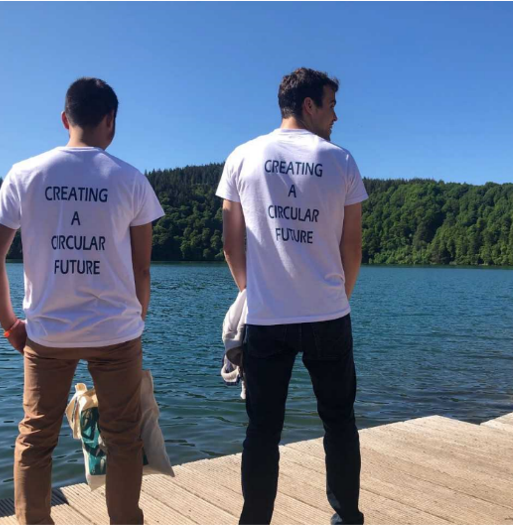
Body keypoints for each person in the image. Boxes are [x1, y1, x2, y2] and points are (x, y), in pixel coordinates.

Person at [0, 77, 164, 525]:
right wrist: (137, 315)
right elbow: (142, 268)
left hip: (47, 334)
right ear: (111, 122)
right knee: (123, 438)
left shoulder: (25, 174)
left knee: (36, 438)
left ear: (66, 119)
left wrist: (10, 325)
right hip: (117, 332)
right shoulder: (131, 179)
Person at [216, 67, 367, 525]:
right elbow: (352, 246)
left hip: (267, 317)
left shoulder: (242, 156)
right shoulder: (341, 161)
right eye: (331, 105)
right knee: (338, 422)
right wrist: (338, 296)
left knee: (262, 430)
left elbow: (230, 240)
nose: (336, 116)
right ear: (308, 106)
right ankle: (345, 519)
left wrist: (250, 289)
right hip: (328, 314)